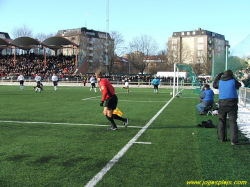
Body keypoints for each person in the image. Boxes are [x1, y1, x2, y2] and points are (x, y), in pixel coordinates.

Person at [213, 70, 242, 145]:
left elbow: (214, 85)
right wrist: (234, 77)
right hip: (232, 103)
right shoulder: (233, 80)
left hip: (222, 103)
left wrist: (218, 77)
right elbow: (239, 85)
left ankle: (222, 138)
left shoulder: (220, 81)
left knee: (221, 120)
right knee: (233, 122)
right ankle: (234, 140)